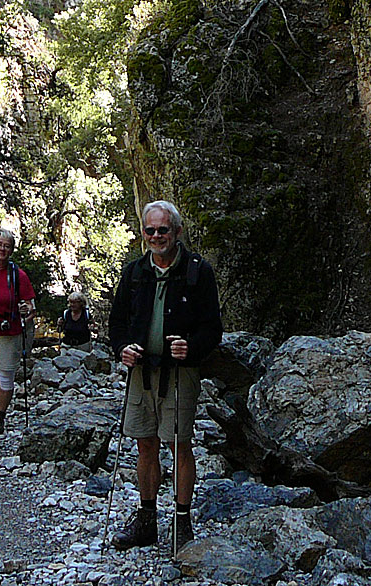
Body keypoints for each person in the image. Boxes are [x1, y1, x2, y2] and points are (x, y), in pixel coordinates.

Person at [108, 200, 222, 551]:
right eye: (150, 230)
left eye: (163, 230)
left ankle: (182, 521)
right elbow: (117, 323)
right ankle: (147, 519)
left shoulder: (198, 272)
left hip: (179, 373)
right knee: (145, 444)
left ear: (177, 232)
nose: (156, 236)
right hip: (142, 372)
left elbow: (213, 328)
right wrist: (122, 348)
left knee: (179, 444)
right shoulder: (134, 272)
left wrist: (191, 347)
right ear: (143, 233)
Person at [0, 229, 36, 435]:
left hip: (9, 330)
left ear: (12, 250)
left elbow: (30, 306)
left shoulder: (18, 275)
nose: (2, 249)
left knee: (6, 374)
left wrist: (25, 312)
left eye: (7, 246)